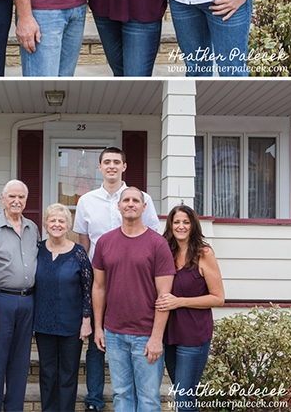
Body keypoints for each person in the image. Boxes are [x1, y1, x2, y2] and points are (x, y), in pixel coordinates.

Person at [73, 147, 161, 412]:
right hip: (99, 278)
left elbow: (153, 237)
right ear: (99, 167)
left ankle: (140, 394)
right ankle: (94, 399)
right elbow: (83, 244)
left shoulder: (141, 198)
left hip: (135, 278)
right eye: (106, 162)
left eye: (116, 162)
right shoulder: (86, 201)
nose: (111, 166)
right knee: (98, 338)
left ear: (124, 166)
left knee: (131, 337)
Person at [92, 186, 176, 412]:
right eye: (125, 200)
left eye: (135, 200)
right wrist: (99, 328)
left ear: (143, 207)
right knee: (121, 394)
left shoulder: (158, 244)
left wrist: (157, 337)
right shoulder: (104, 242)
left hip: (146, 334)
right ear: (119, 206)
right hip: (114, 333)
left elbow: (164, 296)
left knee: (148, 398)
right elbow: (99, 288)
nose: (130, 203)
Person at [0, 180, 39, 412]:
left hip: (27, 301)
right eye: (12, 196)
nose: (16, 201)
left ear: (26, 200)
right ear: (3, 199)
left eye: (21, 197)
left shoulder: (33, 228)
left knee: (21, 363)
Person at [158, 205, 225, 412]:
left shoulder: (203, 253)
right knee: (181, 396)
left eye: (186, 222)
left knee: (185, 401)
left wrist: (180, 301)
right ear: (170, 225)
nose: (181, 226)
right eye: (176, 222)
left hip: (193, 336)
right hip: (169, 335)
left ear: (193, 225)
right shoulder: (165, 252)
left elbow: (218, 298)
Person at [33, 204, 93, 412]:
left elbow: (88, 290)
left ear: (68, 226)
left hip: (72, 324)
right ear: (46, 225)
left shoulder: (79, 253)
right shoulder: (37, 250)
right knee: (47, 373)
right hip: (43, 324)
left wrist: (86, 321)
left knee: (68, 373)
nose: (57, 225)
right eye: (52, 221)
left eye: (61, 221)